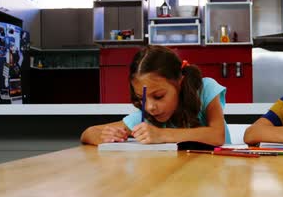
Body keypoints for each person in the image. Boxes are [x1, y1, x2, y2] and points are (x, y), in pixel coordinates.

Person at [81, 45, 229, 146]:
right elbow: (88, 133)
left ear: (180, 82)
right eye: (141, 98)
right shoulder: (146, 118)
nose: (150, 107)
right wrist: (107, 136)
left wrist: (162, 135)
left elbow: (217, 136)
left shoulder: (204, 90)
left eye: (158, 96)